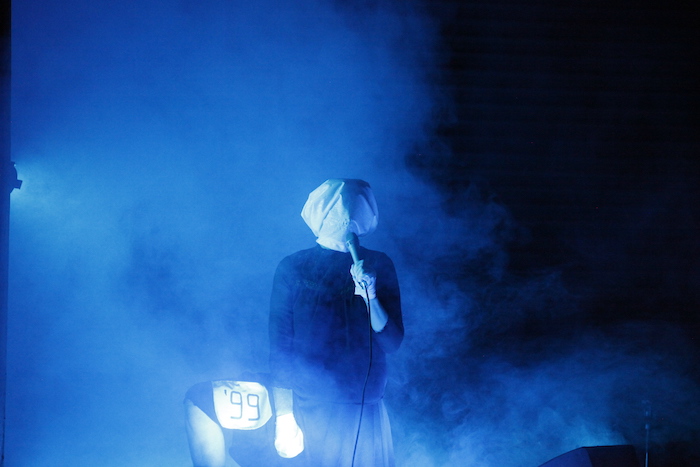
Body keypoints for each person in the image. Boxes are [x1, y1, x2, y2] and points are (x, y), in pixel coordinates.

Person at [269, 178, 404, 466]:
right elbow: (280, 346)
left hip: (365, 407)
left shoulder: (379, 265)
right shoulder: (293, 267)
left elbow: (392, 342)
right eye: (336, 213)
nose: (344, 221)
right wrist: (283, 415)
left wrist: (371, 296)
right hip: (311, 405)